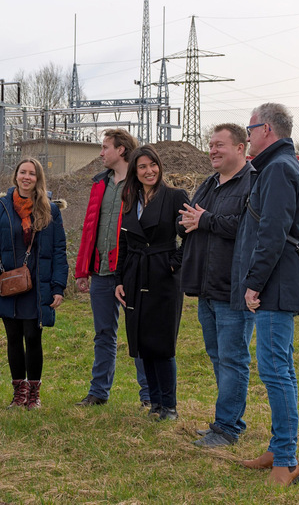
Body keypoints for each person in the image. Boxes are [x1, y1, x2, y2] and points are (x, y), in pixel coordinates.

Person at [231, 103, 299, 487]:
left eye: (249, 128)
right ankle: (280, 449)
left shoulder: (278, 169)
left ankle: (288, 462)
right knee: (281, 369)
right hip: (277, 285)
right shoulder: (279, 166)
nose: (247, 136)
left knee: (276, 372)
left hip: (276, 287)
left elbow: (274, 233)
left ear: (266, 129)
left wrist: (254, 282)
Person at [178, 124, 255, 447]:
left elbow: (249, 226)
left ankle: (226, 428)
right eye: (210, 145)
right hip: (206, 287)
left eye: (219, 145)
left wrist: (205, 221)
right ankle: (230, 419)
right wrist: (189, 223)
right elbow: (190, 217)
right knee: (217, 355)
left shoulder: (253, 181)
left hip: (233, 288)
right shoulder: (210, 183)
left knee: (233, 358)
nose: (212, 150)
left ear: (240, 148)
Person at [0, 158, 69, 410]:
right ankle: (18, 393)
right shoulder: (1, 207)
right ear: (16, 176)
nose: (27, 177)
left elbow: (60, 251)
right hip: (8, 283)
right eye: (23, 172)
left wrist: (58, 286)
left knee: (33, 336)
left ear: (38, 178)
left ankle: (33, 394)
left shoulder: (50, 209)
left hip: (38, 284)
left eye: (32, 173)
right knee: (12, 337)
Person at [74, 129, 150, 407]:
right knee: (103, 333)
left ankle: (149, 395)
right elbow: (90, 229)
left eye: (105, 147)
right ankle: (98, 392)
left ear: (121, 150)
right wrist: (83, 269)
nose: (101, 152)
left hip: (130, 273)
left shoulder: (141, 183)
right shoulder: (100, 184)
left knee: (139, 334)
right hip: (102, 272)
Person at [114, 145, 188, 421]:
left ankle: (169, 406)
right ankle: (155, 403)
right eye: (142, 166)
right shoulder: (130, 198)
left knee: (162, 342)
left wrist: (173, 263)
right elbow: (124, 242)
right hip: (135, 273)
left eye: (153, 165)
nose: (149, 171)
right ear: (135, 171)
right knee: (142, 340)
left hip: (163, 275)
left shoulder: (175, 196)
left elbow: (189, 234)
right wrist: (120, 279)